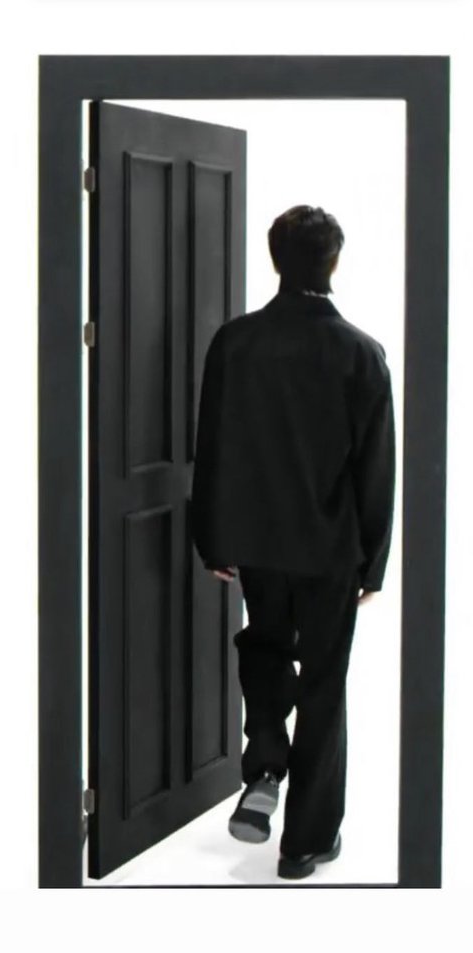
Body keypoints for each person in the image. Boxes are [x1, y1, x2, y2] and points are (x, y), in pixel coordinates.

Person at [191, 205, 396, 880]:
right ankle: (305, 842)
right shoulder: (361, 354)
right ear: (333, 261)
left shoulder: (234, 342)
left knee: (265, 646)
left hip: (255, 540)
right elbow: (376, 469)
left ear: (275, 257)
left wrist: (212, 538)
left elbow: (212, 448)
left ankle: (264, 766)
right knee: (325, 681)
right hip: (331, 549)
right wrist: (373, 564)